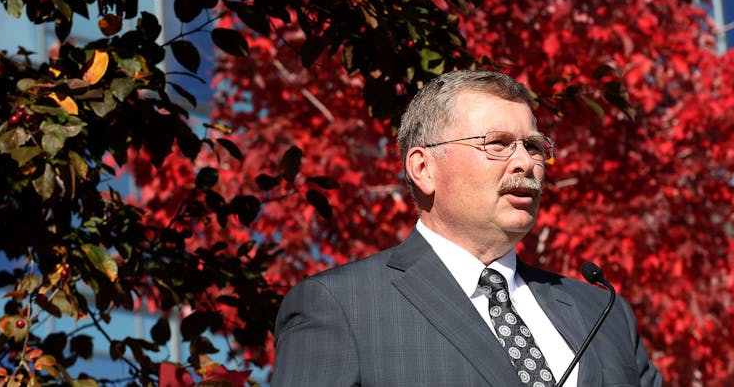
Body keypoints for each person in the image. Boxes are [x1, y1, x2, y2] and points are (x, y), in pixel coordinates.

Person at [272, 70, 662, 386]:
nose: (525, 163)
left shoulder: (603, 311)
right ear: (423, 168)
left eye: (534, 146)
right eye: (498, 143)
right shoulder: (342, 306)